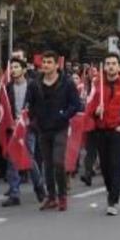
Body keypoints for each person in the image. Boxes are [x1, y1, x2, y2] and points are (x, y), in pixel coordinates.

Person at [86, 53, 120, 216]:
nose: (110, 66)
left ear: (118, 66)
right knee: (105, 166)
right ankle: (111, 190)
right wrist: (96, 111)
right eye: (108, 63)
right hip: (101, 130)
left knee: (116, 164)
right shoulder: (97, 84)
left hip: (118, 131)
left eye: (113, 63)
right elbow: (89, 107)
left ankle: (113, 199)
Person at [33, 51, 82, 211]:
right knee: (47, 164)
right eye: (43, 62)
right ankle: (51, 197)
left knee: (58, 162)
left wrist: (64, 115)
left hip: (60, 127)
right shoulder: (35, 83)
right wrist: (33, 118)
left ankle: (62, 196)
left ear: (56, 65)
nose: (45, 65)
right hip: (42, 127)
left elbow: (75, 105)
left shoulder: (67, 83)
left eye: (48, 62)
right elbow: (30, 103)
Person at [1, 58, 47, 207]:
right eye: (11, 67)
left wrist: (31, 122)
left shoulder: (33, 86)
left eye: (16, 67)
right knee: (12, 159)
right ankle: (14, 193)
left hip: (28, 127)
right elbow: (5, 108)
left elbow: (39, 107)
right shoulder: (8, 87)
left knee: (28, 158)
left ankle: (39, 185)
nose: (13, 70)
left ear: (23, 69)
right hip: (13, 128)